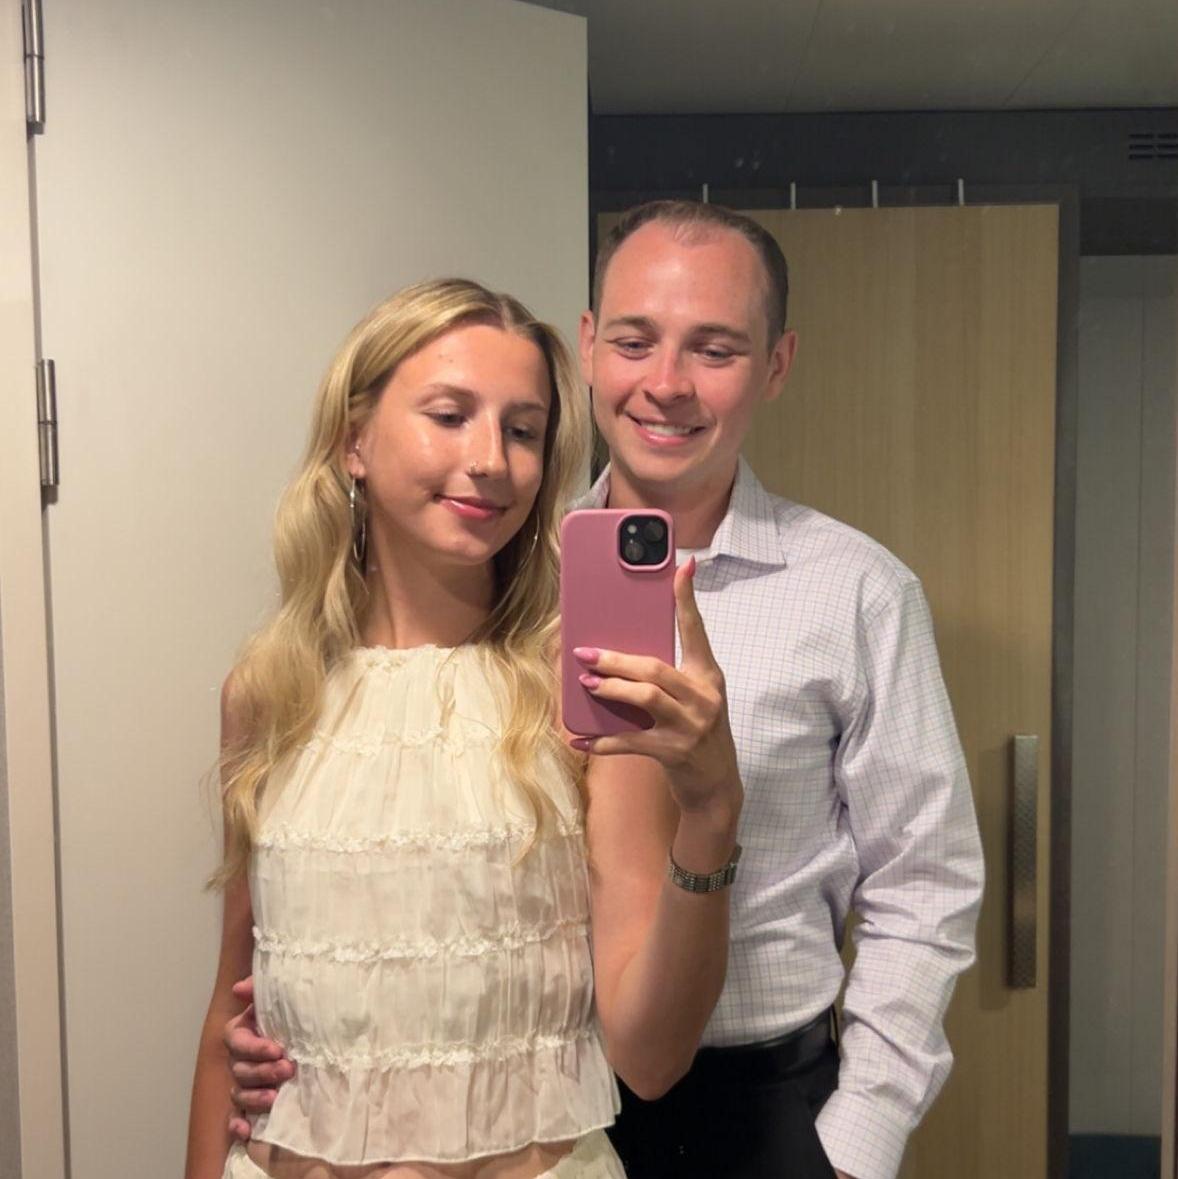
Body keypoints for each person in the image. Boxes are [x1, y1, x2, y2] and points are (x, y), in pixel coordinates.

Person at [224, 203, 985, 1179]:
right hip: (534, 1110)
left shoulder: (854, 591)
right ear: (588, 348)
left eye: (714, 349)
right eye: (634, 342)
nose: (665, 383)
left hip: (754, 1106)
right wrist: (300, 1029)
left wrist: (854, 1144)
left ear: (776, 365)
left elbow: (923, 885)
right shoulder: (504, 578)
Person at [186, 277, 746, 1179]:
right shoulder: (269, 693)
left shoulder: (587, 690)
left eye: (523, 431)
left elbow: (650, 1057)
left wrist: (712, 807)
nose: (491, 459)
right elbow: (231, 1010)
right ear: (354, 440)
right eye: (450, 416)